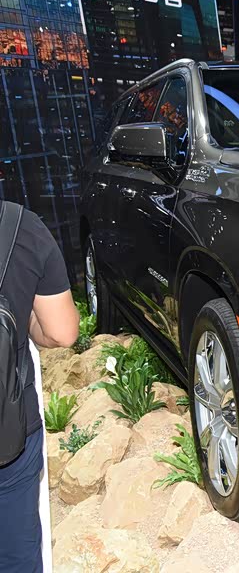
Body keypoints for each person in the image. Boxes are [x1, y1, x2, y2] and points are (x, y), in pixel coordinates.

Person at [0, 202, 78, 572]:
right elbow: (62, 332)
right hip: (10, 434)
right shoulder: (21, 227)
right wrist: (27, 324)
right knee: (16, 556)